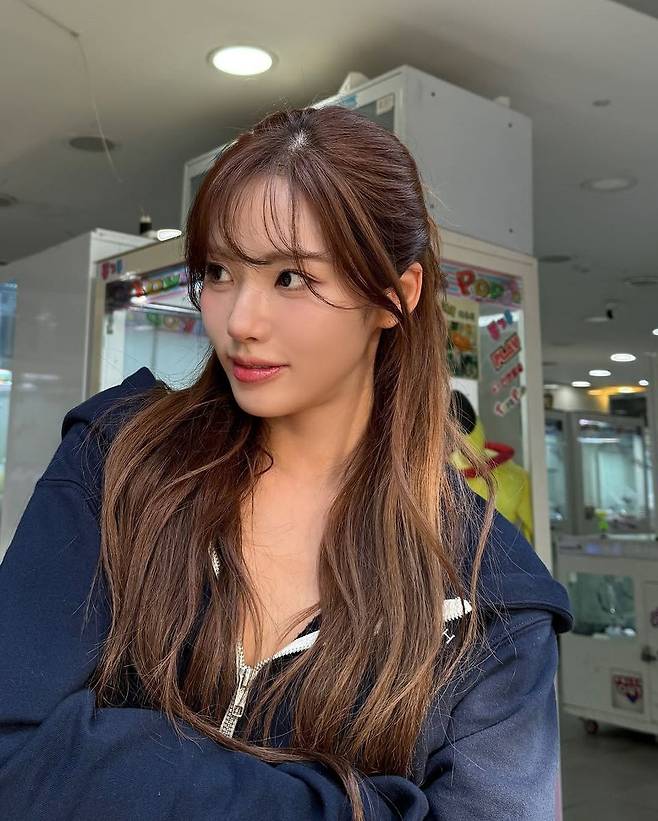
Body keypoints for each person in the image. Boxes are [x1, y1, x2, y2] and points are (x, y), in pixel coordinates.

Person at [0, 106, 572, 820]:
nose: (239, 322)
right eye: (219, 271)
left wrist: (103, 756)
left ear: (396, 295)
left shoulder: (491, 595)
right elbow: (10, 751)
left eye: (292, 277)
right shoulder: (117, 460)